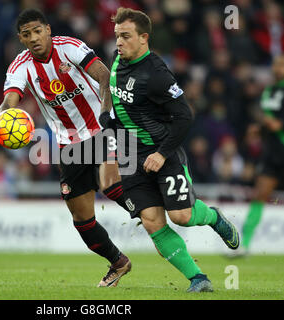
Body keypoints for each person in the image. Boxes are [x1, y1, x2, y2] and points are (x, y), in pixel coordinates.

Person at [0, 8, 131, 287]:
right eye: (26, 35)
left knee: (110, 185)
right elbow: (10, 102)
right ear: (21, 38)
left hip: (100, 129)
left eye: (37, 31)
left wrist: (105, 112)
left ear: (48, 30)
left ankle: (149, 209)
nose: (33, 38)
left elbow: (103, 76)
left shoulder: (71, 48)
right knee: (81, 218)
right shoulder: (20, 66)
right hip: (68, 144)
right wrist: (1, 120)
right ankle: (118, 262)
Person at [100, 7, 240, 292]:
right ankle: (198, 279)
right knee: (152, 222)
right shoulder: (117, 60)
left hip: (162, 153)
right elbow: (114, 91)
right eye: (116, 36)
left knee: (182, 217)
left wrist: (161, 153)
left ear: (144, 38)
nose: (118, 42)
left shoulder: (157, 74)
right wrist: (108, 117)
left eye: (125, 36)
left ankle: (213, 217)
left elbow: (185, 116)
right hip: (131, 156)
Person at [239, 55, 284, 255]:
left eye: (281, 65)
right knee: (260, 195)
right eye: (276, 64)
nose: (277, 68)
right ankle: (244, 244)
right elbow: (271, 121)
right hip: (274, 153)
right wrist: (260, 128)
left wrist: (268, 124)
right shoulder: (270, 91)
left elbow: (274, 122)